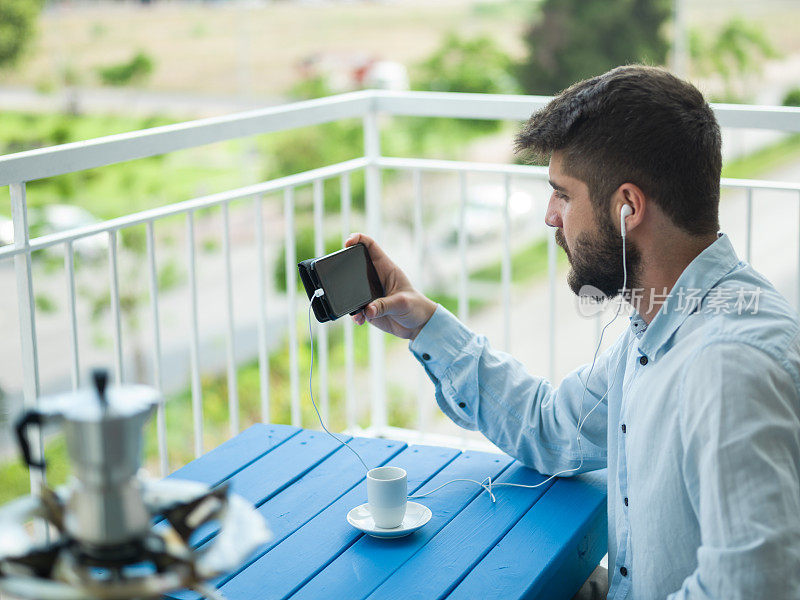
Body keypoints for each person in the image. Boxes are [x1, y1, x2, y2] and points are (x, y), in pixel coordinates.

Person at [345, 65, 800, 599]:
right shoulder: (661, 321)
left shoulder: (728, 364)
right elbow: (553, 427)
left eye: (562, 194)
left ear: (627, 208)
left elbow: (753, 588)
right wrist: (424, 324)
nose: (549, 217)